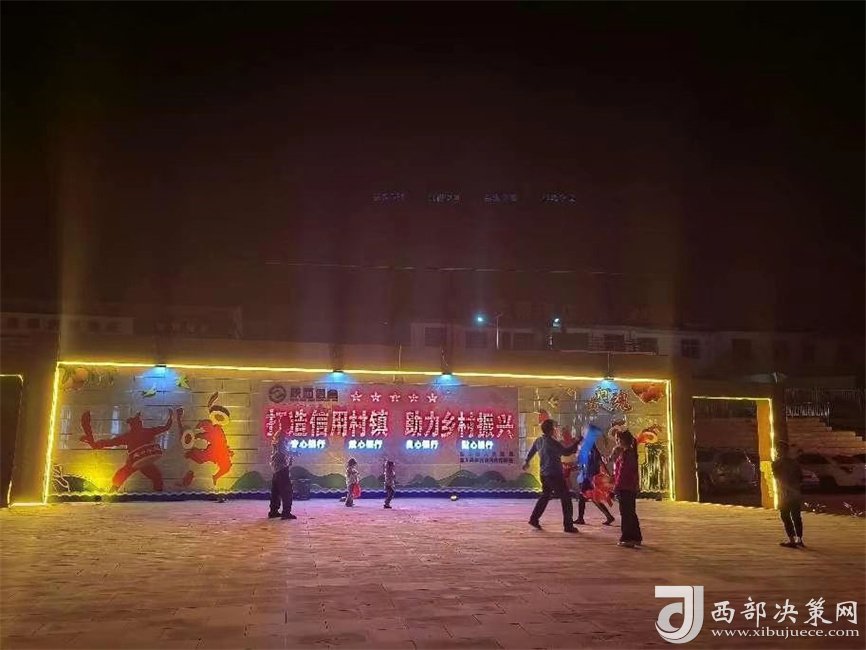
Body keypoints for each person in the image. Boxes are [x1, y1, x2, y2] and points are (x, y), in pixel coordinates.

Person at [523, 419, 581, 533]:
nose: (556, 430)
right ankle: (568, 525)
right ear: (551, 430)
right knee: (566, 498)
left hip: (544, 474)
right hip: (554, 474)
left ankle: (534, 519)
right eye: (555, 428)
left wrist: (527, 462)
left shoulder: (539, 440)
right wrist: (577, 442)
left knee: (545, 495)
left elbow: (532, 452)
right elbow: (566, 452)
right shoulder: (551, 442)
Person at [772, 442, 804, 548]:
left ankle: (792, 540)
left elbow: (778, 479)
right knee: (796, 517)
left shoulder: (776, 464)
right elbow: (801, 478)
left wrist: (787, 488)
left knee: (785, 516)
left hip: (785, 494)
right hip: (795, 493)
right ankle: (799, 539)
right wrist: (796, 489)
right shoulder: (795, 463)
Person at [613, 429, 641, 547]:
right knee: (631, 512)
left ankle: (627, 538)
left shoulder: (626, 454)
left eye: (618, 439)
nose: (617, 441)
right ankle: (636, 537)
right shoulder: (630, 453)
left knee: (626, 513)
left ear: (623, 440)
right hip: (630, 487)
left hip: (625, 487)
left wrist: (616, 486)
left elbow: (622, 473)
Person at [575, 444, 615, 526]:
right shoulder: (588, 452)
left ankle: (581, 518)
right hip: (588, 477)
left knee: (585, 497)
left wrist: (608, 474)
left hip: (591, 478)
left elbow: (600, 463)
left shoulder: (593, 452)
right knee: (589, 498)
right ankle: (608, 516)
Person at [268, 431, 295, 520]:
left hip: (276, 470)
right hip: (282, 469)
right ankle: (286, 513)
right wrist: (293, 453)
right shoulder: (281, 442)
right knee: (287, 492)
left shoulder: (276, 442)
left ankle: (273, 511)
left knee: (276, 492)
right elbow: (284, 452)